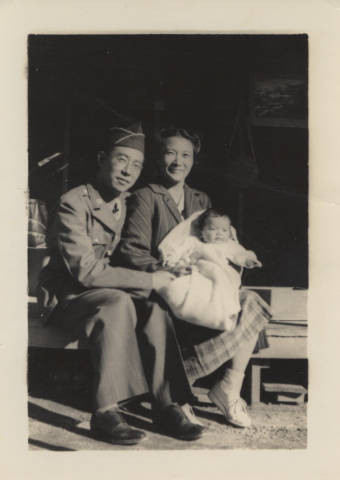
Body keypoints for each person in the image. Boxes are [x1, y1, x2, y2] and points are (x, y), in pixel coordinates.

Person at [39, 122, 204, 445]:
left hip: (112, 293)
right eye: (121, 160)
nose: (129, 171)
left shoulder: (129, 202)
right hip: (69, 298)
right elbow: (85, 271)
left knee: (154, 306)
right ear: (103, 158)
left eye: (137, 165)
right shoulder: (74, 202)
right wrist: (150, 278)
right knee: (119, 303)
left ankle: (166, 403)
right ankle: (105, 411)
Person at [117, 127, 271, 428]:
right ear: (158, 157)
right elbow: (132, 252)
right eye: (170, 153)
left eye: (186, 155)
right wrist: (165, 272)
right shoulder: (146, 197)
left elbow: (219, 244)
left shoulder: (200, 200)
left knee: (252, 302)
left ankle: (229, 385)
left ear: (193, 160)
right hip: (167, 288)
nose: (178, 161)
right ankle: (180, 387)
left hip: (205, 285)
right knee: (245, 314)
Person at [156, 208, 262, 332]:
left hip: (219, 273)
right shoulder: (193, 242)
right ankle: (193, 309)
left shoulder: (228, 245)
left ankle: (219, 316)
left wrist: (248, 260)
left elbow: (239, 253)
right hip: (197, 272)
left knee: (220, 290)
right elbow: (178, 250)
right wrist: (171, 261)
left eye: (224, 230)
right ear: (201, 231)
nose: (219, 233)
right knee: (176, 288)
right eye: (212, 229)